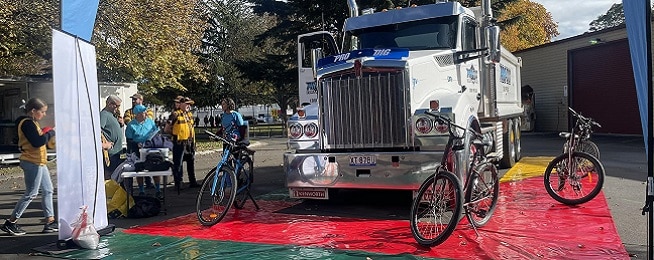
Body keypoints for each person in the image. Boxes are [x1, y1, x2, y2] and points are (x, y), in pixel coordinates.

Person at [1, 98, 57, 235]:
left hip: (39, 162)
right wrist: (51, 132)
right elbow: (38, 142)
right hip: (32, 162)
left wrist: (46, 133)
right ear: (33, 111)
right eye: (42, 112)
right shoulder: (27, 124)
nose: (44, 115)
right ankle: (11, 222)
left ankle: (50, 221)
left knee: (48, 190)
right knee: (31, 193)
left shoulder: (32, 123)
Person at [125, 104, 162, 197]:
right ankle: (141, 190)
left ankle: (158, 189)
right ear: (137, 114)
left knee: (155, 169)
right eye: (142, 113)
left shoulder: (150, 122)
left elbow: (156, 133)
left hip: (150, 148)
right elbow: (129, 139)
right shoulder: (131, 125)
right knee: (139, 170)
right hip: (137, 150)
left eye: (145, 112)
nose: (144, 114)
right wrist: (136, 143)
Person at [165, 96, 198, 192]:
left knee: (190, 163)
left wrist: (194, 143)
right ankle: (178, 183)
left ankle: (193, 182)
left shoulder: (189, 115)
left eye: (190, 104)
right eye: (187, 104)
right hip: (179, 143)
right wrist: (175, 135)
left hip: (189, 143)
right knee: (178, 164)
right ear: (181, 104)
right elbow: (167, 128)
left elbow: (191, 129)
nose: (189, 106)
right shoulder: (175, 114)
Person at [123, 93, 155, 188]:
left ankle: (149, 182)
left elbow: (148, 120)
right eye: (132, 99)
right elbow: (127, 120)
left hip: (144, 140)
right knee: (133, 161)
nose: (133, 101)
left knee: (146, 159)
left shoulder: (148, 111)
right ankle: (131, 185)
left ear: (141, 100)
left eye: (135, 99)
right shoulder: (129, 111)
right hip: (132, 141)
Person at [100, 95, 125, 180]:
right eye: (117, 105)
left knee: (117, 175)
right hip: (110, 153)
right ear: (110, 104)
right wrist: (104, 144)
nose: (118, 108)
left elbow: (112, 129)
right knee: (110, 175)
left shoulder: (112, 115)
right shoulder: (104, 114)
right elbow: (97, 131)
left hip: (117, 152)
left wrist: (120, 124)